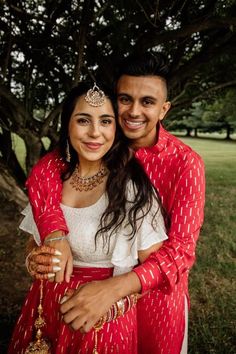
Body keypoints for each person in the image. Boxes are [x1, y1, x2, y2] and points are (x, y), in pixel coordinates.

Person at [18, 51, 205, 353]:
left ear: (164, 109)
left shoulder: (185, 164)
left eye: (147, 102)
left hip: (154, 298)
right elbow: (44, 172)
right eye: (124, 99)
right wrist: (53, 234)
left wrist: (113, 289)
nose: (133, 111)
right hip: (78, 301)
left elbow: (181, 252)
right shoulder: (97, 145)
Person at [8, 82, 168, 354]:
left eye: (105, 121)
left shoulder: (132, 187)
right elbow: (33, 244)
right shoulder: (51, 181)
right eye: (83, 120)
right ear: (68, 125)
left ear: (115, 128)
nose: (95, 132)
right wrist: (35, 260)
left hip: (102, 320)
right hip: (44, 309)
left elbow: (154, 269)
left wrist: (113, 302)